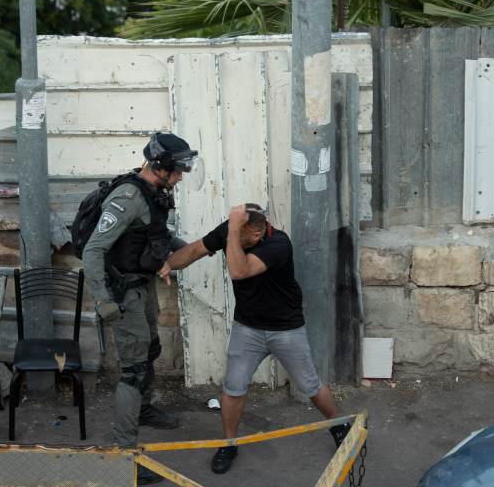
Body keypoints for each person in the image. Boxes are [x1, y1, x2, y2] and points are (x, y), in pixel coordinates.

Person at [158, 203, 351, 474]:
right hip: (247, 328)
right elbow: (193, 250)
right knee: (233, 387)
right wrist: (167, 264)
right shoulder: (232, 231)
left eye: (236, 234)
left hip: (286, 328)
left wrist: (233, 232)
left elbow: (239, 271)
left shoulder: (278, 243)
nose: (229, 238)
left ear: (256, 235)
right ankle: (230, 443)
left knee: (310, 385)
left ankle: (338, 425)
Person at [83, 132, 200, 485]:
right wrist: (102, 300)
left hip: (144, 285)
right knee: (133, 371)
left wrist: (205, 245)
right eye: (178, 170)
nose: (181, 177)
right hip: (124, 295)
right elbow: (93, 251)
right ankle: (125, 456)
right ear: (161, 166)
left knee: (150, 350)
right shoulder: (128, 198)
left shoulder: (154, 193)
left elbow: (158, 238)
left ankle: (143, 409)